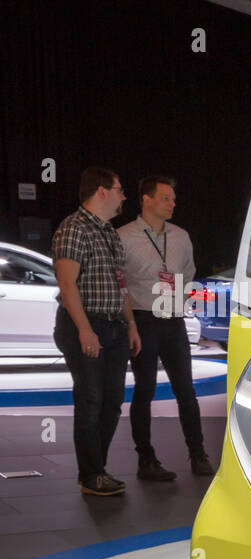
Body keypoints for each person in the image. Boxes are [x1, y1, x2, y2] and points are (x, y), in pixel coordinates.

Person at [51, 168, 142, 497]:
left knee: (112, 401)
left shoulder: (109, 232)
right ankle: (91, 475)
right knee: (90, 400)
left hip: (114, 326)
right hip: (86, 324)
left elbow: (121, 285)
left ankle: (96, 470)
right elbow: (67, 284)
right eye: (120, 190)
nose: (123, 196)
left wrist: (130, 323)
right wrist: (85, 330)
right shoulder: (74, 228)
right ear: (102, 191)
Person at [118, 175, 213, 481]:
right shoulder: (123, 237)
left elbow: (189, 271)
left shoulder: (181, 236)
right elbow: (119, 282)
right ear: (146, 199)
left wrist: (180, 298)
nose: (173, 204)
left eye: (173, 199)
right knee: (144, 390)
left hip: (172, 319)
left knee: (186, 389)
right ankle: (146, 460)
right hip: (142, 319)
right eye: (166, 198)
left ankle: (198, 454)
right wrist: (129, 321)